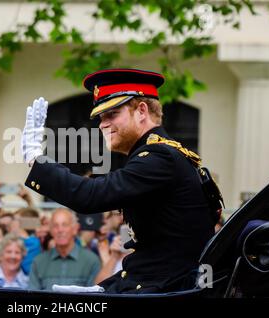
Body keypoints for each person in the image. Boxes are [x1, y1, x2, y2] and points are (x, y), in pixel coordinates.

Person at [21, 68, 221, 293]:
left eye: (112, 114)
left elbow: (91, 195)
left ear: (142, 111)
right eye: (100, 117)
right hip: (164, 286)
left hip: (170, 291)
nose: (102, 124)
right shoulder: (160, 154)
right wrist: (104, 289)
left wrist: (36, 161)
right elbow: (154, 254)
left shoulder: (159, 157)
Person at [28, 208, 101, 290]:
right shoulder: (39, 262)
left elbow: (95, 297)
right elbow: (32, 297)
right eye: (55, 226)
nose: (60, 230)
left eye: (65, 225)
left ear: (75, 229)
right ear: (51, 230)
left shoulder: (91, 261)